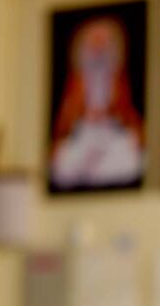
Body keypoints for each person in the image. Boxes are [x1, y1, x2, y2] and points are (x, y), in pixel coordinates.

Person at [50, 16, 143, 190]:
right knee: (65, 164)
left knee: (128, 158)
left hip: (109, 128)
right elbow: (69, 111)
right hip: (85, 128)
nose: (98, 44)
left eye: (103, 39)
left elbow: (125, 108)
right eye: (94, 39)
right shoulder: (78, 79)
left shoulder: (117, 78)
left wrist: (134, 131)